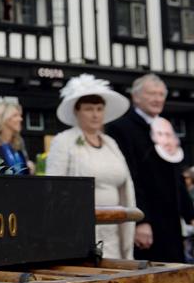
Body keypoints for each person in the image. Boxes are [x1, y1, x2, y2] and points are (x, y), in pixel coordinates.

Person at [106, 74, 194, 263]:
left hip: (171, 217)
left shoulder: (164, 126)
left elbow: (175, 174)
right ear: (136, 97)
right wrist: (141, 221)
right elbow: (130, 177)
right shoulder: (121, 128)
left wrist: (190, 213)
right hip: (148, 220)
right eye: (151, 94)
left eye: (161, 94)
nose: (157, 99)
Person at [46, 74, 134, 259]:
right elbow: (53, 187)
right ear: (77, 112)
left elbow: (125, 184)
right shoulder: (64, 141)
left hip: (114, 229)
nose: (95, 114)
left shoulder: (111, 143)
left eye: (99, 109)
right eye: (88, 109)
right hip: (80, 229)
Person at [0, 102, 32, 174]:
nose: (20, 119)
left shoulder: (17, 146)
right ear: (2, 119)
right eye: (15, 115)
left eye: (20, 115)